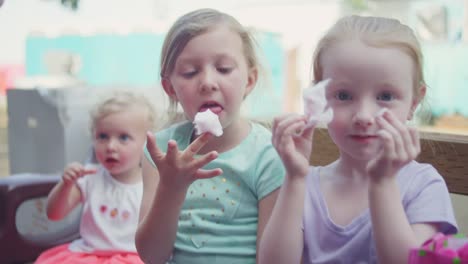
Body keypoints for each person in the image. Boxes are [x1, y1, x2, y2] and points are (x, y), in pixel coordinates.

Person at [259, 15, 458, 264]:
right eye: (343, 95)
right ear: (318, 98)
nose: (364, 116)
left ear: (414, 102)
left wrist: (382, 183)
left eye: (385, 95)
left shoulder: (423, 185)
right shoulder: (304, 184)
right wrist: (294, 178)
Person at [135, 8, 285, 264]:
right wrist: (171, 188)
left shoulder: (269, 155)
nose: (207, 82)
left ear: (249, 81)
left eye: (224, 69)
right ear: (170, 88)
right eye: (190, 72)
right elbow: (152, 256)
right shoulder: (161, 151)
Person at [36, 90, 156, 264]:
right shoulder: (89, 177)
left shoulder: (152, 185)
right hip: (87, 256)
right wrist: (66, 184)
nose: (110, 146)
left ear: (147, 143)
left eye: (123, 137)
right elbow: (54, 214)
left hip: (133, 258)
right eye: (102, 136)